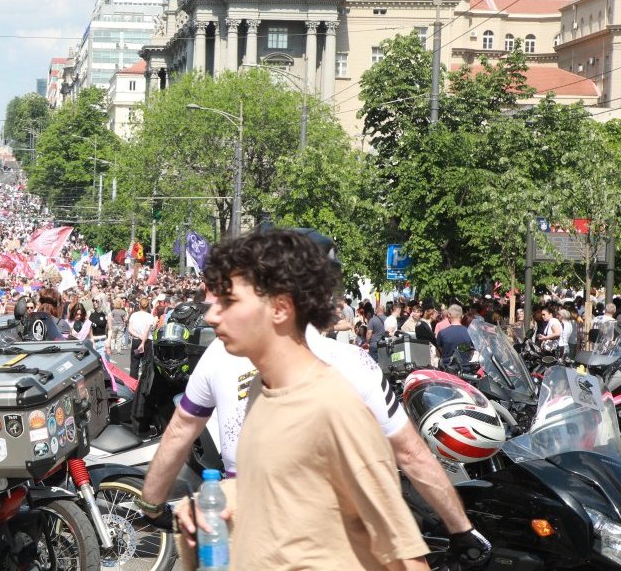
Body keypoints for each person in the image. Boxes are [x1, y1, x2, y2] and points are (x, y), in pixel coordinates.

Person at [139, 231, 489, 569]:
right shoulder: (263, 390)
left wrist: (154, 505)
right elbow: (279, 496)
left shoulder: (335, 406)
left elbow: (403, 557)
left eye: (229, 301)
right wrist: (213, 505)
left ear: (281, 307)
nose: (211, 315)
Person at [435, 305, 474, 370]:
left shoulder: (442, 333)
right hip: (465, 370)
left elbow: (438, 353)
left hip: (447, 370)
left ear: (449, 315)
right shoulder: (470, 333)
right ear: (462, 316)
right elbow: (471, 353)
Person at [127, 297, 156, 378]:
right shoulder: (149, 316)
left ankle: (132, 383)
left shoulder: (134, 315)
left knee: (134, 362)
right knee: (146, 364)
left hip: (136, 342)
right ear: (148, 306)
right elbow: (146, 331)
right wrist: (143, 342)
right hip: (146, 343)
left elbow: (130, 329)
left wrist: (138, 336)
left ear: (139, 305)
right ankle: (145, 383)